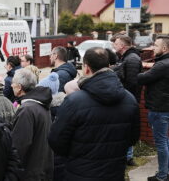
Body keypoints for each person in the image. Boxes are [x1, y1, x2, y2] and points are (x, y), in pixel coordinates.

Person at [49, 47, 139, 181]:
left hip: (79, 172)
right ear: (108, 66)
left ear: (86, 68)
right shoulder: (130, 99)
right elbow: (133, 138)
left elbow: (56, 141)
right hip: (114, 172)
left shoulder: (73, 101)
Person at [11, 69, 53, 180]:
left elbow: (19, 145)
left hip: (30, 172)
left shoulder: (27, 110)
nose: (11, 85)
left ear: (19, 87)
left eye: (13, 83)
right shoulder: (41, 103)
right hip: (43, 168)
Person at [137, 36, 169, 181]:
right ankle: (166, 171)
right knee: (165, 141)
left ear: (164, 48)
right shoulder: (163, 63)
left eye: (155, 46)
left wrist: (135, 72)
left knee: (161, 142)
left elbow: (142, 78)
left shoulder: (162, 65)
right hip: (164, 107)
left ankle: (162, 176)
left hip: (159, 108)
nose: (153, 48)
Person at [112, 35, 142, 166]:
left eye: (116, 43)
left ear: (123, 46)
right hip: (125, 100)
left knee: (127, 128)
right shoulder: (126, 58)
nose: (114, 45)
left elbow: (132, 84)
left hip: (128, 102)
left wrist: (127, 101)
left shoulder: (132, 59)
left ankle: (128, 157)